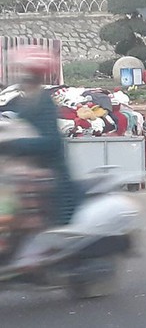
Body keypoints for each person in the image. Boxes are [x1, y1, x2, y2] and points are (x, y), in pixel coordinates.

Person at [1, 46, 81, 225]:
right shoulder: (23, 101)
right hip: (28, 177)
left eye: (21, 71)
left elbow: (51, 142)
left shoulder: (43, 102)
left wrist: (12, 143)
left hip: (51, 181)